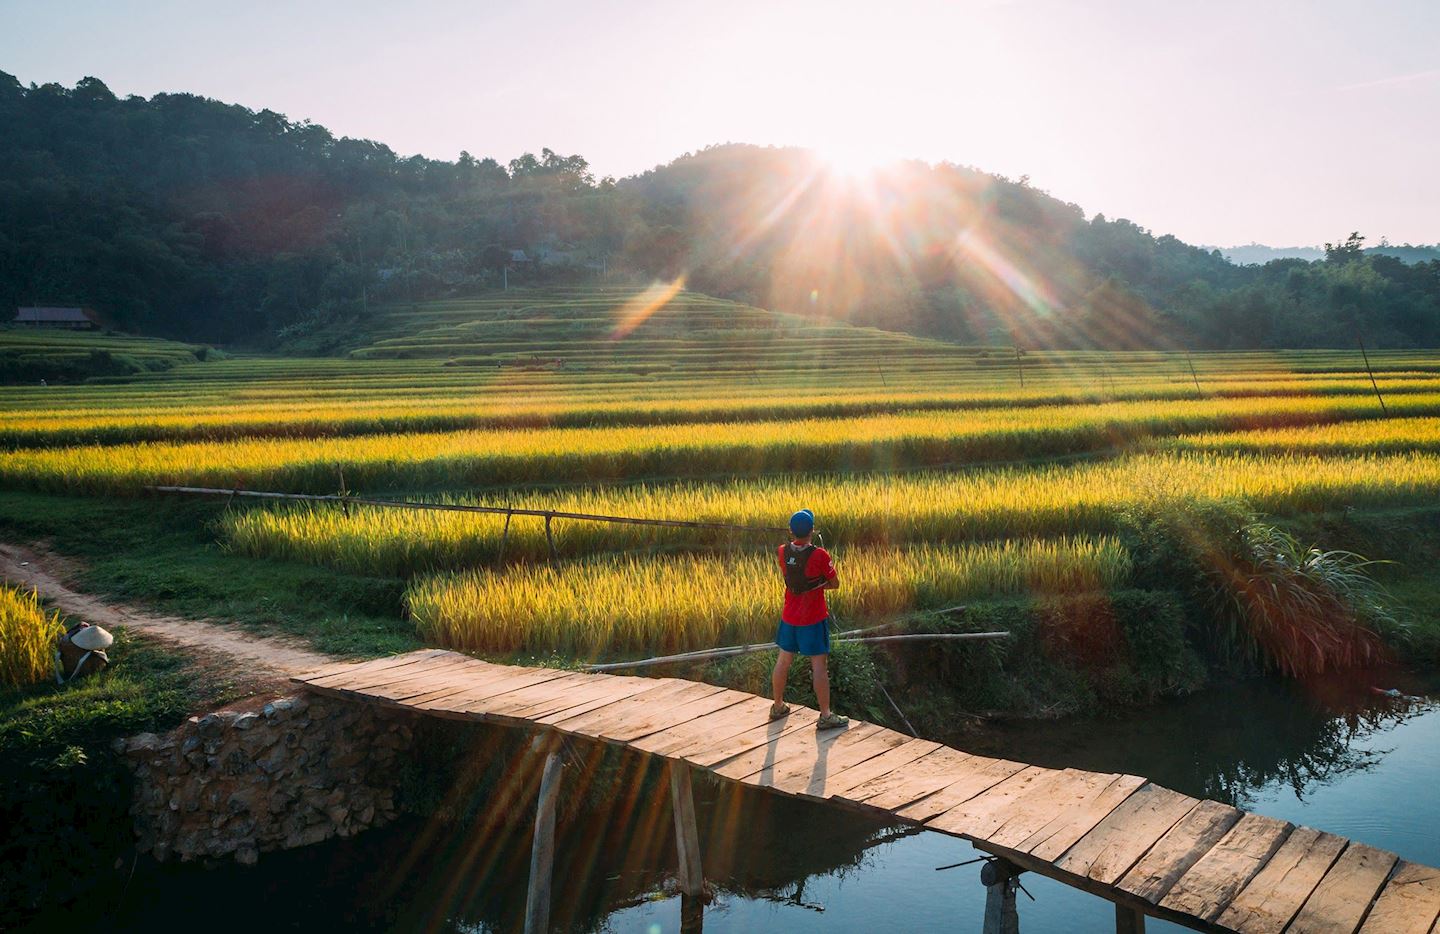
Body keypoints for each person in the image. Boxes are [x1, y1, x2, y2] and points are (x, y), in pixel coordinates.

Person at [770, 509, 849, 730]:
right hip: (813, 619)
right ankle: (825, 715)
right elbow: (835, 584)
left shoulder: (782, 551)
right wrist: (820, 583)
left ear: (790, 530)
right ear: (812, 530)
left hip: (789, 617)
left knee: (783, 661)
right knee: (819, 668)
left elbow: (795, 570)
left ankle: (777, 706)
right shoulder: (821, 555)